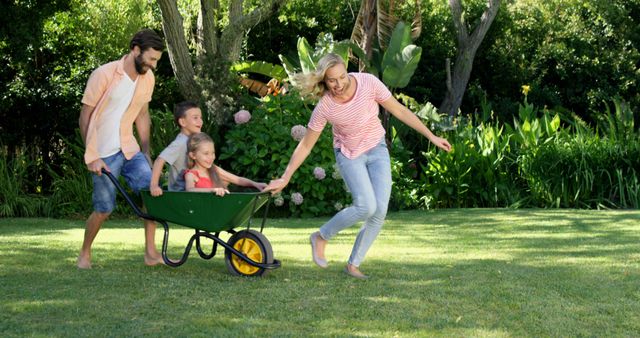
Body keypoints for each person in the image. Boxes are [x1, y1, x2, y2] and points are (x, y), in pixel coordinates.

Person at [264, 53, 452, 279]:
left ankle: (353, 264)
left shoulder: (368, 83)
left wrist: (431, 136)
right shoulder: (325, 106)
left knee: (379, 210)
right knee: (365, 206)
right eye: (332, 80)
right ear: (324, 80)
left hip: (377, 149)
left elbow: (399, 110)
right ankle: (321, 237)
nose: (339, 84)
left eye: (342, 77)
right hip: (349, 155)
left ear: (347, 71)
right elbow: (305, 146)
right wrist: (285, 177)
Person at [77, 29, 164, 269]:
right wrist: (91, 156)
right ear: (136, 50)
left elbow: (143, 114)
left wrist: (146, 151)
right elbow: (84, 117)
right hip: (103, 154)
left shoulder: (147, 78)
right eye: (151, 59)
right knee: (103, 209)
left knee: (151, 192)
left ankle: (150, 252)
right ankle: (85, 252)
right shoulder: (104, 74)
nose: (154, 65)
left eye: (157, 60)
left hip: (129, 149)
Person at [184, 132, 267, 194]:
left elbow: (237, 179)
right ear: (193, 155)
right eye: (206, 154)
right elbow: (190, 190)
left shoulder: (214, 169)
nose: (211, 157)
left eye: (213, 153)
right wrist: (212, 190)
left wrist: (255, 184)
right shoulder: (191, 175)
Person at [149, 101, 203, 197]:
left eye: (200, 118)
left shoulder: (191, 140)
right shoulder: (180, 143)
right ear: (182, 122)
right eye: (195, 118)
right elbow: (159, 160)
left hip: (192, 188)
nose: (200, 121)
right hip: (181, 193)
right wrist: (154, 185)